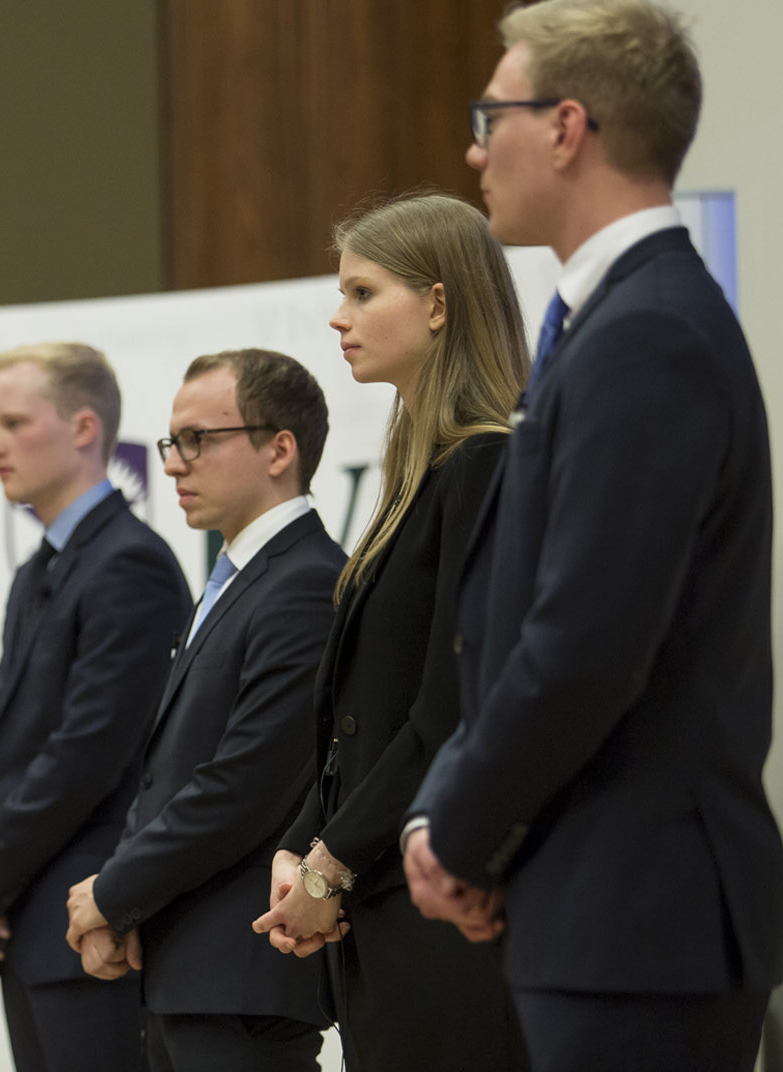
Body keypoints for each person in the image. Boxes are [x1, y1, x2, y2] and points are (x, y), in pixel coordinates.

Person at [400, 3, 783, 1069]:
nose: (474, 148)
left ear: (567, 127)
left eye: (493, 115)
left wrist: (458, 832)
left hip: (640, 921)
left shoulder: (647, 334)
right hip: (598, 912)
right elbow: (516, 629)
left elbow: (584, 645)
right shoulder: (611, 324)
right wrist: (454, 821)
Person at [249, 192, 531, 1069]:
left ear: (439, 304)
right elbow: (361, 716)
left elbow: (448, 708)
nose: (339, 317)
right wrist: (302, 843)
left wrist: (333, 863)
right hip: (386, 901)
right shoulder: (426, 471)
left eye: (363, 292)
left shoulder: (486, 464)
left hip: (444, 907)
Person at [62, 349, 345, 1072]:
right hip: (186, 968)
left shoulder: (307, 582)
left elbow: (244, 783)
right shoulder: (235, 578)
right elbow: (165, 770)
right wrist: (126, 907)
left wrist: (114, 893)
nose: (175, 463)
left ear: (280, 448)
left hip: (243, 975)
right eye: (171, 442)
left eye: (199, 440)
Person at [0, 342, 192, 1072]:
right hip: (26, 921)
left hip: (94, 925)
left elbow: (85, 755)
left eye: (14, 423)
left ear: (85, 429)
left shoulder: (129, 564)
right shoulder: (38, 572)